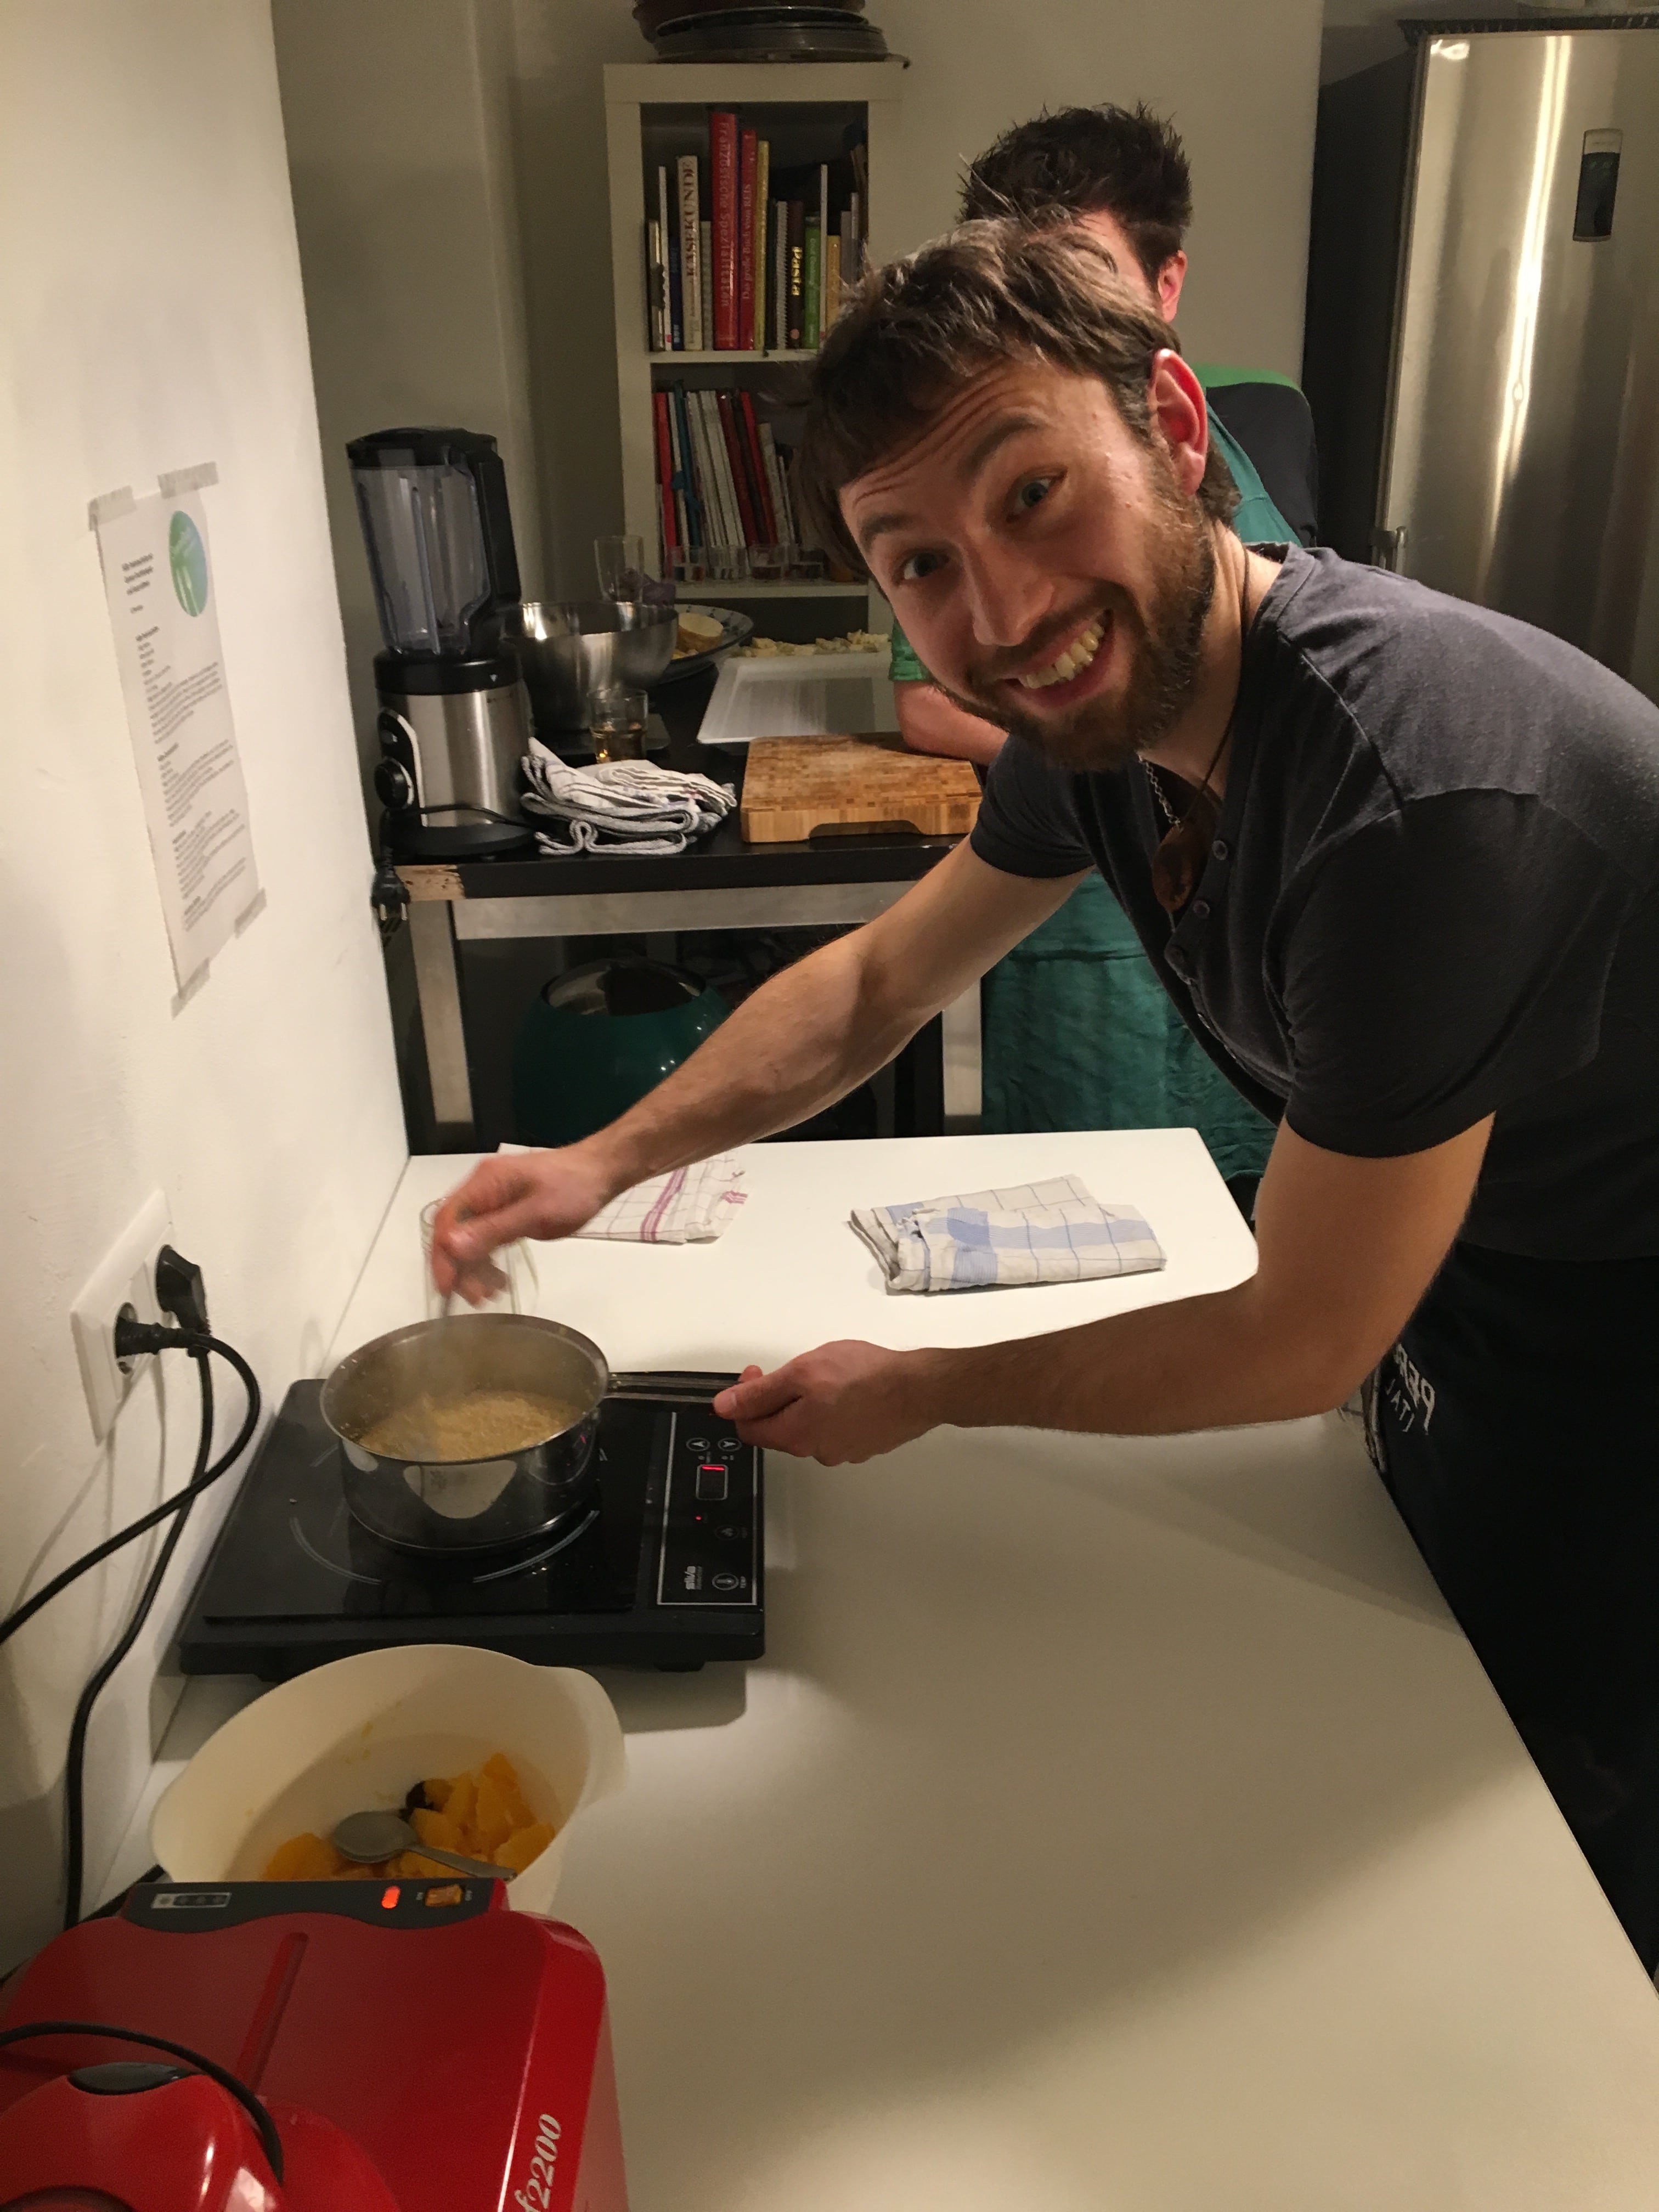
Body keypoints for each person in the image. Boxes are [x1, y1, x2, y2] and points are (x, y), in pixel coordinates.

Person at [434, 222, 1659, 1965]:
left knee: (1548, 1832)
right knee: (1412, 1671)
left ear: (1173, 426)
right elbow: (879, 983)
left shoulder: (1408, 800)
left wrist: (928, 1389)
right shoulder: (1109, 734)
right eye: (920, 561)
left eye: (1032, 494)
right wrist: (602, 1162)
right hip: (1483, 1260)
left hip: (1619, 1316)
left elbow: (1300, 1339)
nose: (1001, 614)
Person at [889, 105, 1318, 1198]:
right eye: (1020, 289)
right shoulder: (963, 480)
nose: (1047, 327)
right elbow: (876, 984)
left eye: (1080, 281)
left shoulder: (1379, 732)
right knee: (1080, 1220)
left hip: (1251, 913)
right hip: (1083, 922)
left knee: (1250, 1223)